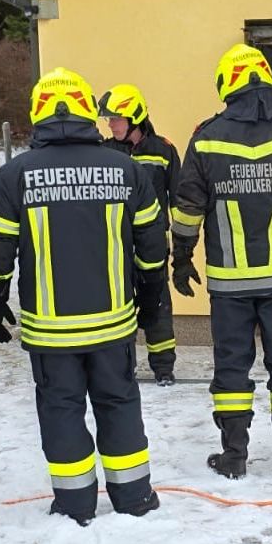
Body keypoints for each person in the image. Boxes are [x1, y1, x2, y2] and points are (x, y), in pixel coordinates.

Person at [0, 67, 167, 525]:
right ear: (87, 111)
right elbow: (150, 245)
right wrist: (151, 296)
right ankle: (134, 496)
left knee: (61, 411)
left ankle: (75, 503)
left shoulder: (14, 174)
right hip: (112, 323)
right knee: (118, 402)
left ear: (38, 113)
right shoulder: (126, 169)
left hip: (50, 328)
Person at [171, 43, 272, 480]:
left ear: (226, 84)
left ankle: (234, 457)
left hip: (229, 283)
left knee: (231, 367)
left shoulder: (206, 137)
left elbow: (187, 208)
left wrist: (180, 259)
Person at [98, 84, 181, 386]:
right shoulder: (104, 152)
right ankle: (124, 366)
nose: (110, 124)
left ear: (134, 117)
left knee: (158, 303)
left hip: (154, 243)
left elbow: (180, 196)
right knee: (120, 307)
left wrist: (183, 249)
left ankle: (163, 367)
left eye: (116, 119)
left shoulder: (163, 150)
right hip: (116, 243)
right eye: (109, 120)